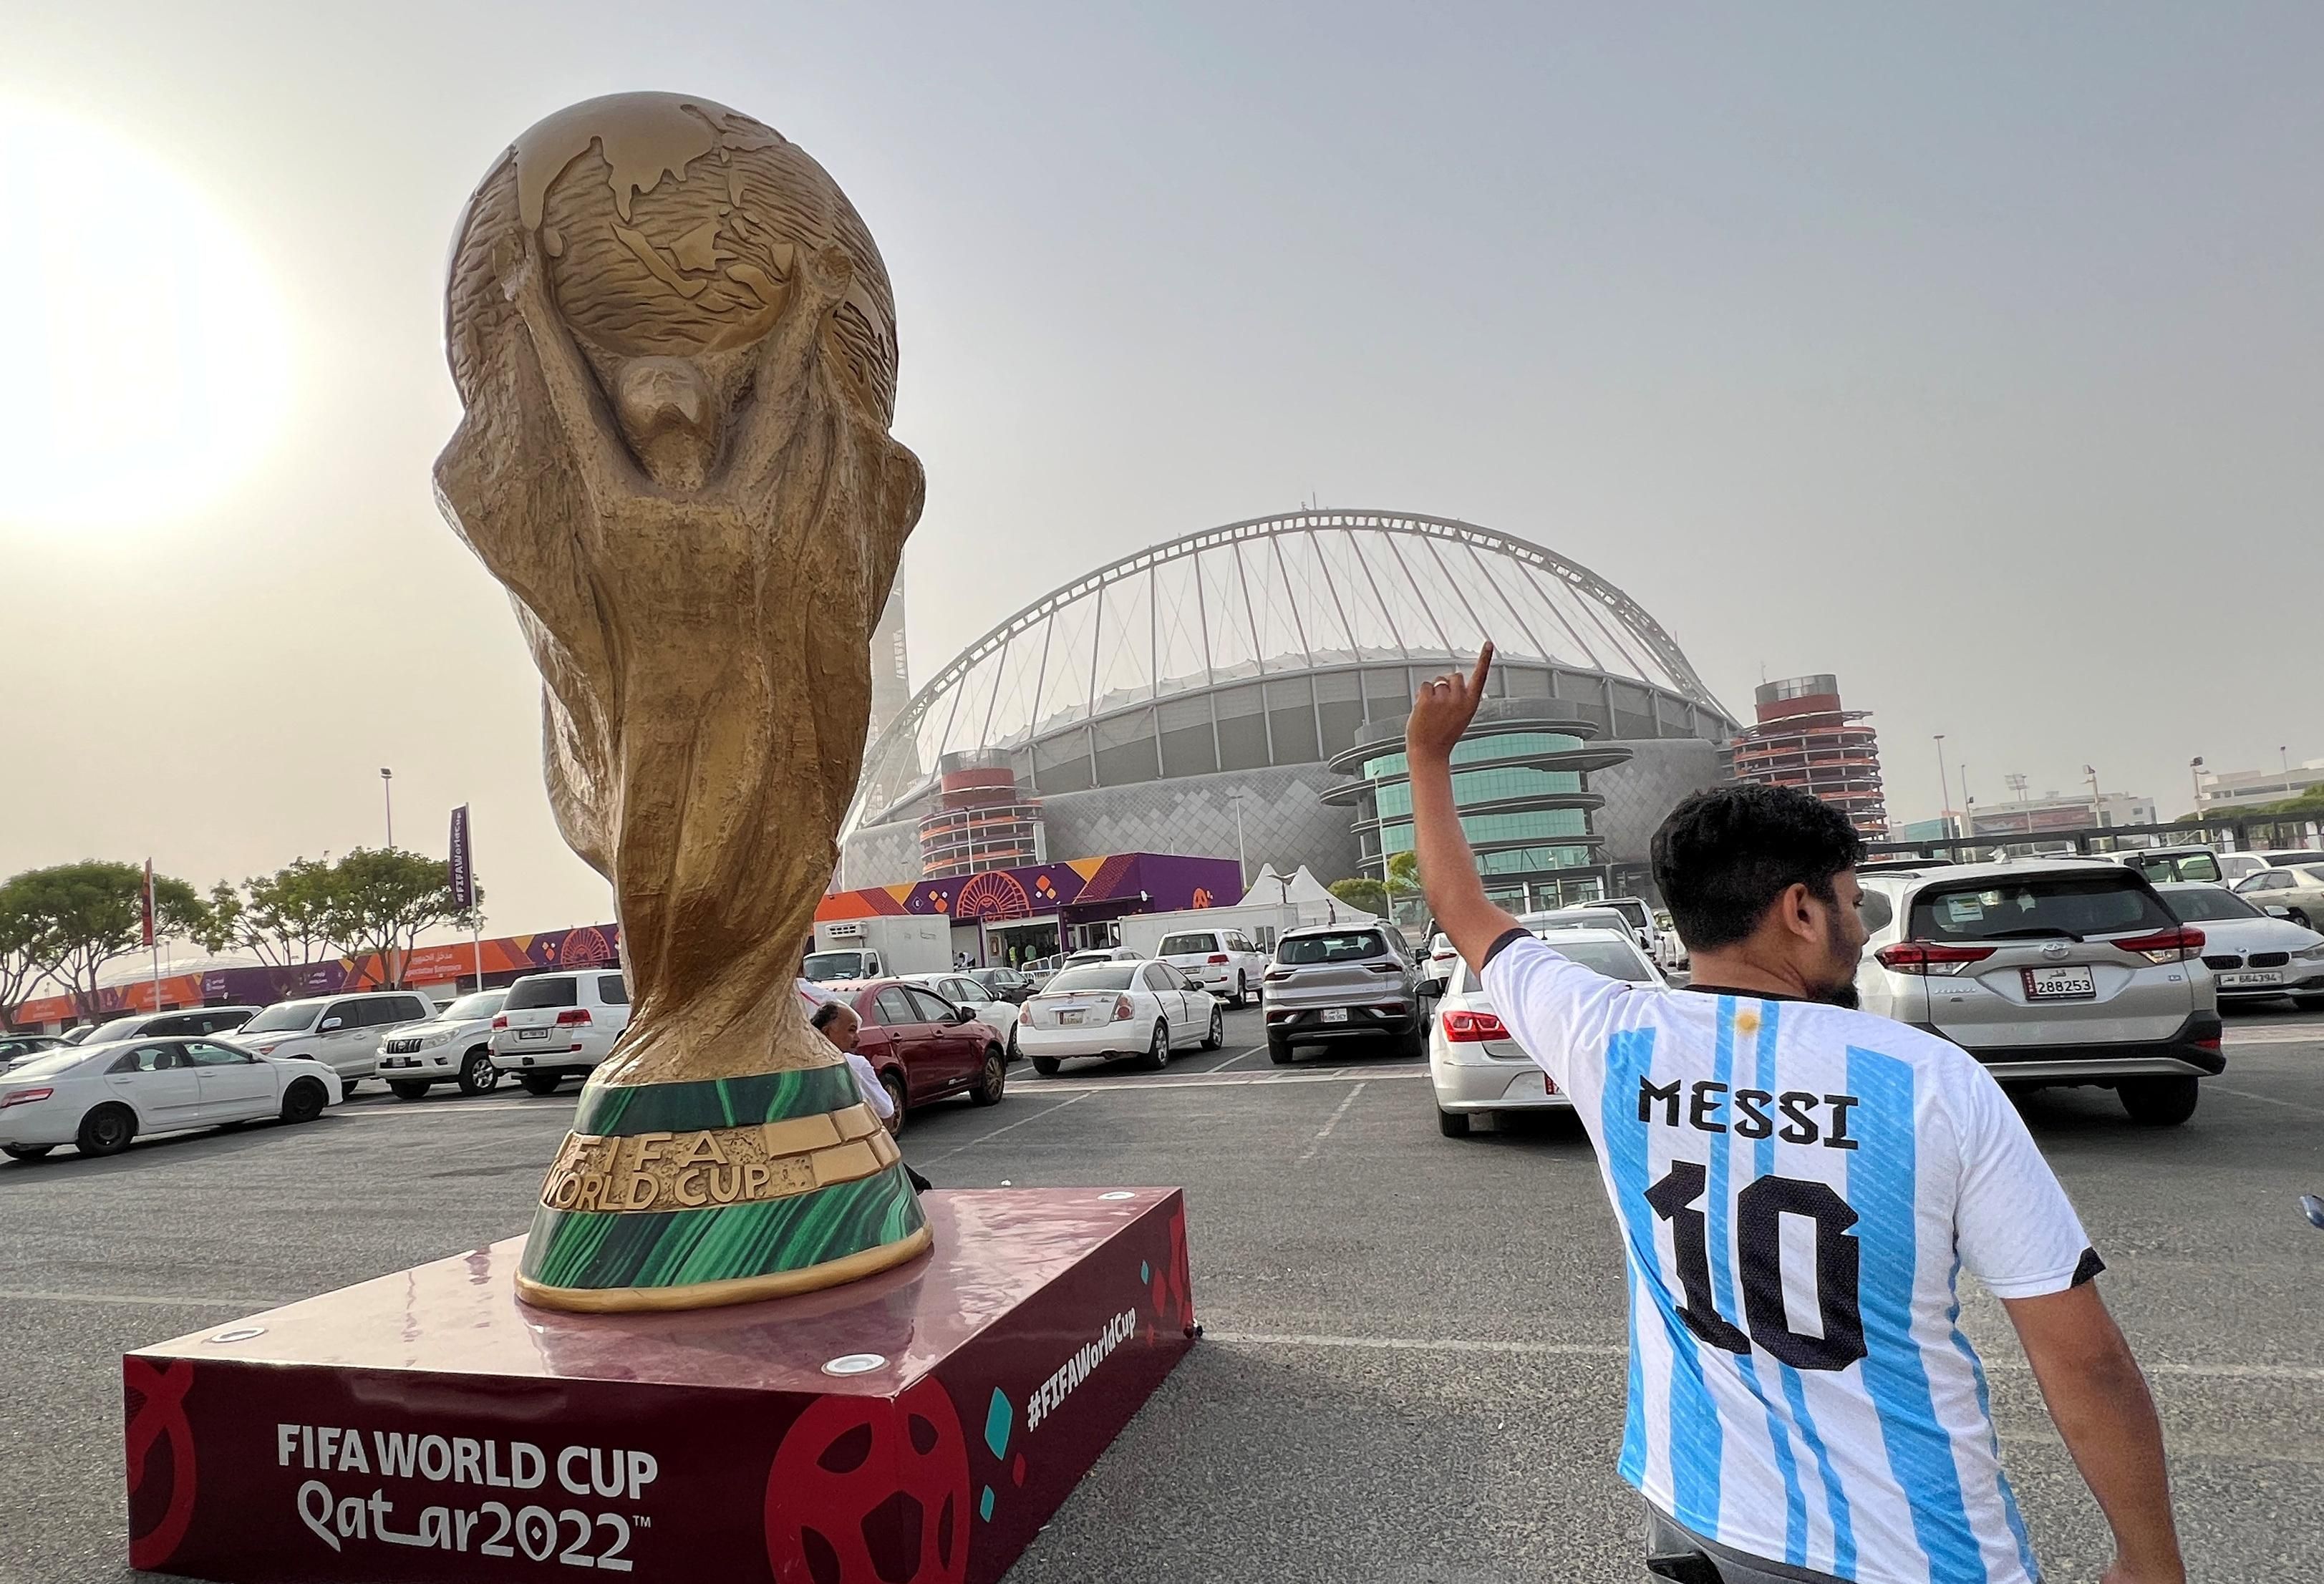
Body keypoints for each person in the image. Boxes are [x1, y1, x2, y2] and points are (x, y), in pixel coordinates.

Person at [1408, 643, 2182, 1584]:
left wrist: (1429, 757)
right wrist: (2148, 1560)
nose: (1858, 926)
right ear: (1800, 913)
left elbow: (1459, 906)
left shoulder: (1606, 1034)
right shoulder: (1928, 1081)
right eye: (1851, 902)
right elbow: (2084, 1359)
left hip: (1701, 1515)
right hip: (1909, 1549)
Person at [806, 994, 932, 1193]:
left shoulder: (803, 1068)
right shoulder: (855, 1065)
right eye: (851, 1031)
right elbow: (886, 1112)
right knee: (921, 1188)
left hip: (817, 1160)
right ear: (827, 1032)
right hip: (863, 1152)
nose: (857, 1038)